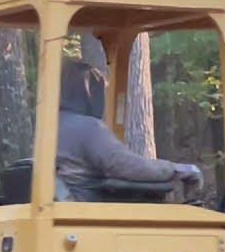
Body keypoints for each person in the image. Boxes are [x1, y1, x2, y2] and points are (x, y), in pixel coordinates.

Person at [57, 59, 202, 201]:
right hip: (88, 214)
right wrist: (177, 170)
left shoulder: (52, 127)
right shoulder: (87, 128)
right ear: (87, 92)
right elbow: (124, 165)